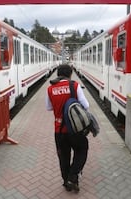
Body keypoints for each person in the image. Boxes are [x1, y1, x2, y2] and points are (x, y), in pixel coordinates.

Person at [45, 64, 90, 193]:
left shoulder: (50, 89)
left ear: (58, 74)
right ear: (70, 74)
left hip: (59, 130)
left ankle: (66, 181)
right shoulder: (75, 86)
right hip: (75, 129)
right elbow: (86, 105)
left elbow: (48, 108)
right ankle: (73, 176)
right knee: (82, 149)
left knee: (63, 157)